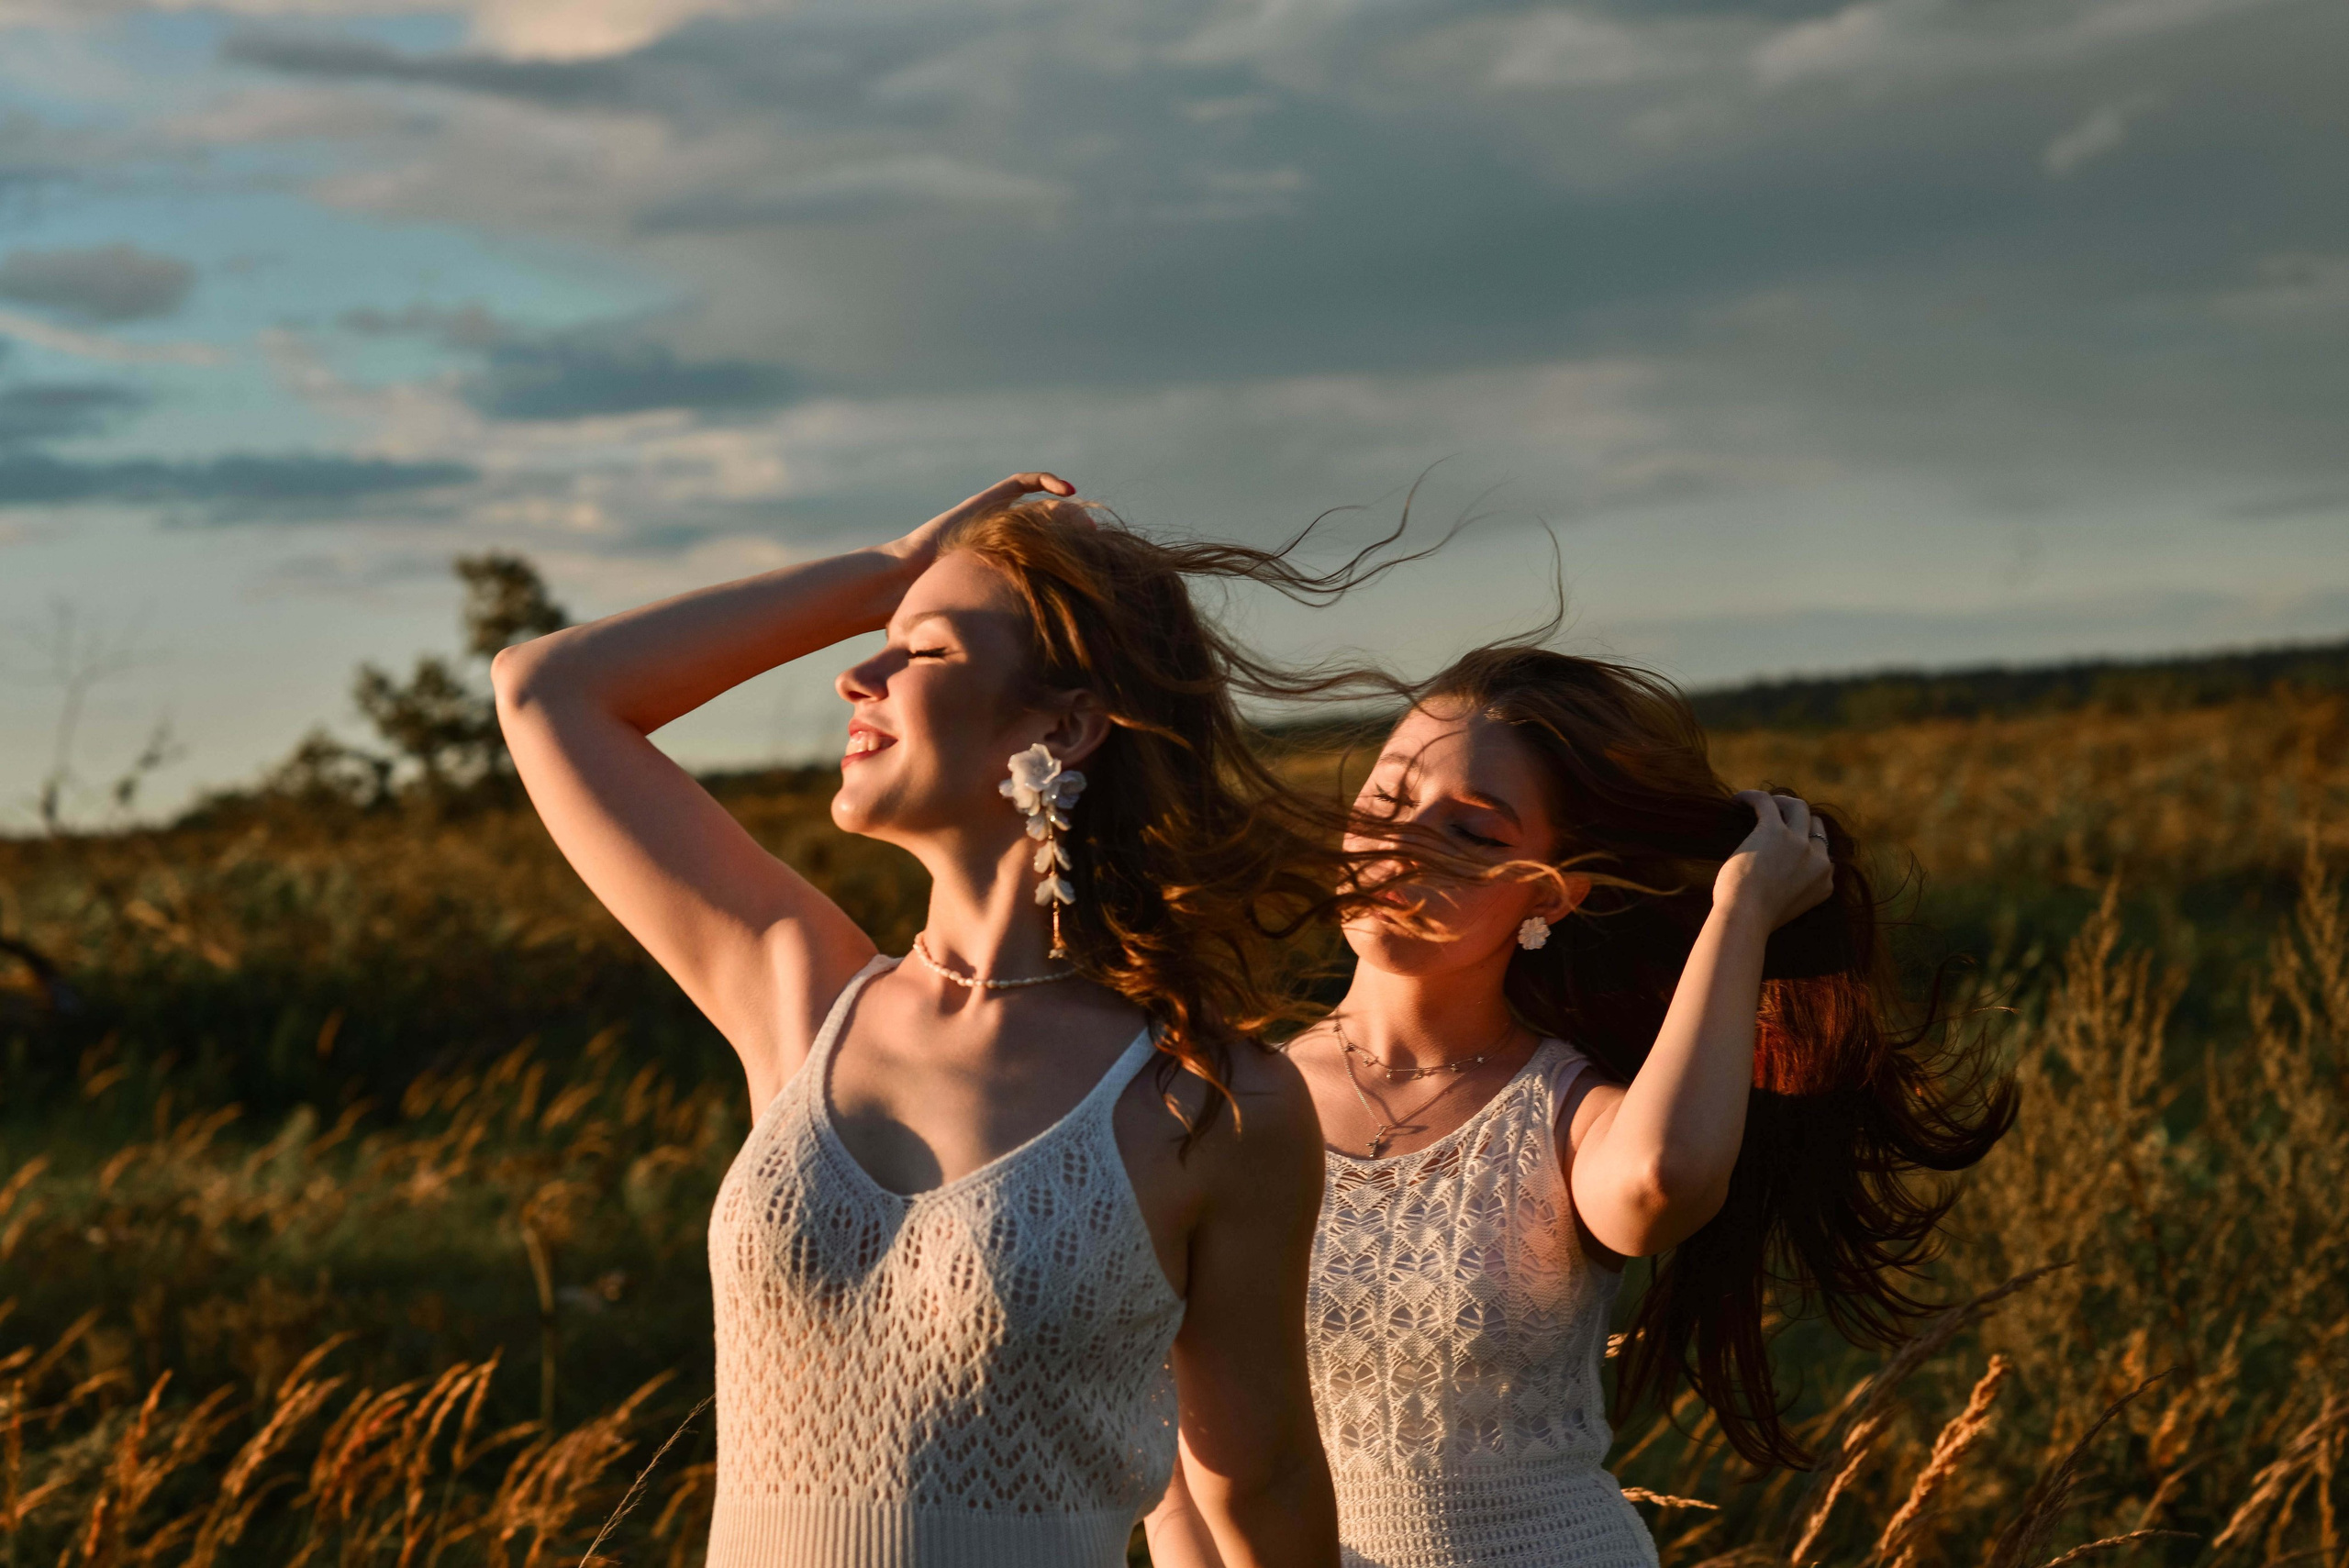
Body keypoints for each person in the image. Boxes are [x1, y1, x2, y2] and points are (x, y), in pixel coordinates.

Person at [492, 474, 1345, 1568]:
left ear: (1064, 725)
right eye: (879, 642)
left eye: (924, 650)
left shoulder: (1209, 1096)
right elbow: (545, 688)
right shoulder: (799, 994)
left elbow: (1261, 1487)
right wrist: (888, 573)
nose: (858, 672)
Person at [1147, 644, 2013, 1568]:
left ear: (1553, 893)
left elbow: (1661, 1178)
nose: (1405, 844)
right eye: (1387, 800)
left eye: (1474, 832)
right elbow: (1172, 1468)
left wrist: (1740, 913)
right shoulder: (1221, 1103)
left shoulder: (1563, 1110)